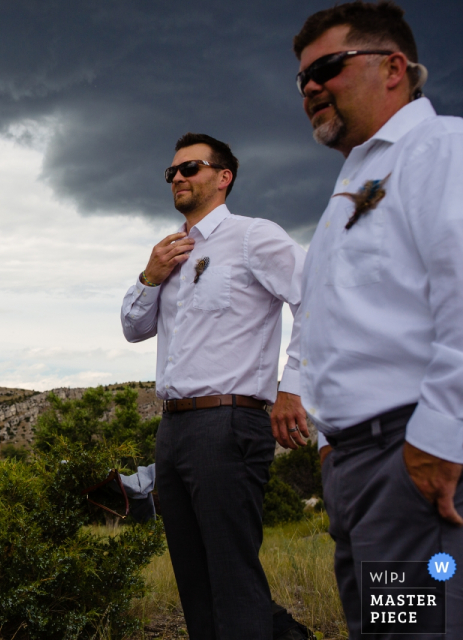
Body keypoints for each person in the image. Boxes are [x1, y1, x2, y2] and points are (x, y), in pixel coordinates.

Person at [271, 2, 463, 636]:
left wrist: (437, 439)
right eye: (302, 79)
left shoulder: (440, 151)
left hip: (410, 460)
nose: (311, 87)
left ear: (394, 68)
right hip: (356, 471)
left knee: (418, 632)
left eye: (327, 67)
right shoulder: (352, 186)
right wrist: (330, 450)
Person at [121, 133, 307, 639]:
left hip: (229, 421)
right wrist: (150, 275)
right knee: (194, 579)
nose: (178, 177)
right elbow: (134, 329)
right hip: (173, 427)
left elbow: (314, 297)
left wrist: (292, 387)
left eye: (191, 168)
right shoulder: (170, 252)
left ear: (223, 177)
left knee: (231, 574)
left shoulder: (253, 237)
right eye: (172, 172)